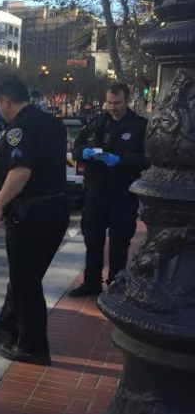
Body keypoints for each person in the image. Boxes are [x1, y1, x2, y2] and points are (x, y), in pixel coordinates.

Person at [0, 78, 69, 366]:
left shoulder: (21, 127)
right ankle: (7, 327)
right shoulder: (52, 122)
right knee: (23, 276)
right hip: (55, 210)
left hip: (32, 214)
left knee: (26, 282)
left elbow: (20, 172)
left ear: (7, 101)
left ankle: (32, 347)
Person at [70, 83, 147, 296]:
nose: (113, 107)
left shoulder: (139, 126)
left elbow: (146, 158)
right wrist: (83, 152)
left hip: (123, 192)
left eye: (117, 103)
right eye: (110, 102)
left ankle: (116, 283)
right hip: (96, 190)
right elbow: (76, 147)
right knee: (92, 238)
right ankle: (91, 283)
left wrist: (121, 160)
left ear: (127, 100)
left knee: (119, 241)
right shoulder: (96, 123)